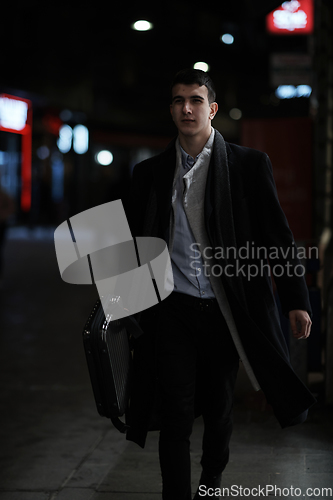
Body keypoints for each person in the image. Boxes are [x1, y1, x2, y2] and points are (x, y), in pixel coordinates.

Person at [124, 68, 315, 500]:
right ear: (171, 110)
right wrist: (125, 304)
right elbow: (134, 245)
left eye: (195, 100)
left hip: (227, 310)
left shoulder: (248, 165)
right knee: (176, 410)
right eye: (177, 101)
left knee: (219, 410)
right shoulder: (150, 173)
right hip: (173, 308)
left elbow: (276, 237)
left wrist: (295, 300)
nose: (186, 109)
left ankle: (210, 486)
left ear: (211, 109)